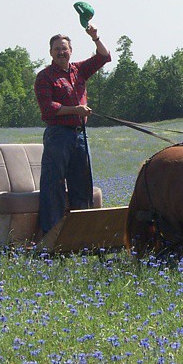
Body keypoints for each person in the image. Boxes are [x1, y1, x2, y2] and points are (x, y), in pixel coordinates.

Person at [34, 23, 111, 234]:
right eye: (57, 49)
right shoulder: (45, 76)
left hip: (79, 136)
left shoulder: (79, 70)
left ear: (71, 51)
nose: (61, 52)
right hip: (58, 136)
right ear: (50, 52)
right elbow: (48, 109)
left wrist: (95, 36)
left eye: (64, 48)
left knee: (82, 186)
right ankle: (53, 237)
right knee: (54, 187)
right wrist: (75, 109)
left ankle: (81, 235)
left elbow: (103, 57)